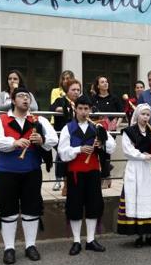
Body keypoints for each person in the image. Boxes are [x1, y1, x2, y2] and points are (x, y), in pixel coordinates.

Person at [0, 86, 58, 265]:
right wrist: (14, 142)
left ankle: (30, 246)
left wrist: (42, 140)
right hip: (7, 172)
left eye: (27, 97)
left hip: (32, 171)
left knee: (31, 209)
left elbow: (53, 139)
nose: (25, 99)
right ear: (13, 100)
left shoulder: (38, 120)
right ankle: (9, 248)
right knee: (8, 210)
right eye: (21, 96)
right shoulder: (0, 120)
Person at [58, 95, 116, 255]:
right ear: (75, 109)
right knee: (75, 206)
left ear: (90, 110)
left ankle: (90, 240)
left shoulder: (97, 128)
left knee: (93, 205)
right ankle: (76, 241)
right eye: (81, 108)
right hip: (75, 173)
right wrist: (79, 149)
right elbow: (62, 153)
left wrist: (102, 144)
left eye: (86, 109)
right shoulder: (67, 128)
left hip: (92, 172)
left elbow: (112, 146)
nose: (84, 112)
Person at [117, 103, 151, 247]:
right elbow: (127, 150)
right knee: (138, 200)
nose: (145, 117)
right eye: (143, 114)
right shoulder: (129, 131)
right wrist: (143, 156)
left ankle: (150, 235)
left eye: (148, 115)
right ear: (137, 115)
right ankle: (140, 236)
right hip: (137, 169)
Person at [90, 76, 123, 189]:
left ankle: (105, 178)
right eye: (102, 82)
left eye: (106, 82)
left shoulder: (114, 98)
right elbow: (90, 113)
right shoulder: (93, 98)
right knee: (98, 151)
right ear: (98, 85)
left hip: (111, 129)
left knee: (106, 152)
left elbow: (121, 113)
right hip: (98, 129)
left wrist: (117, 124)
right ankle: (106, 175)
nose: (105, 83)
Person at [50, 79, 82, 193]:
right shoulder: (61, 100)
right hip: (63, 134)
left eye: (78, 90)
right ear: (67, 91)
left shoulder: (81, 101)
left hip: (78, 136)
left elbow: (93, 109)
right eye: (73, 89)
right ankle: (65, 184)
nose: (76, 92)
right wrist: (65, 109)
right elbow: (52, 108)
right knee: (63, 159)